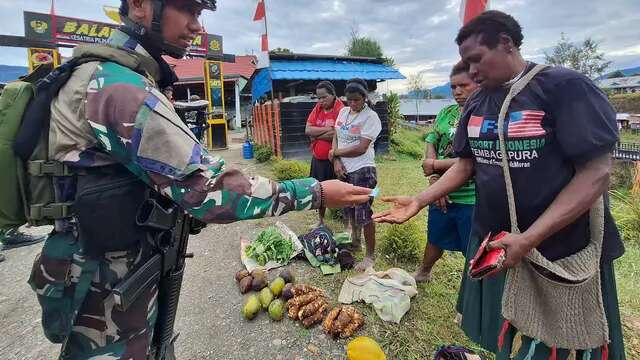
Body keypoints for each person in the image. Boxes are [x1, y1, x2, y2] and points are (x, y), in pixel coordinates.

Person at [28, 1, 372, 359]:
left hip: (113, 273)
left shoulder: (117, 75)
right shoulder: (118, 87)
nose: (198, 27)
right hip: (105, 286)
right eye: (188, 10)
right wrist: (313, 192)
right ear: (142, 5)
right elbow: (208, 190)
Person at [374, 10, 625, 359]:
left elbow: (596, 173)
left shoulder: (563, 87)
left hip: (559, 249)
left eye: (476, 59)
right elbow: (465, 164)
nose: (471, 71)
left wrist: (529, 238)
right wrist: (420, 200)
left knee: (560, 342)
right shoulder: (478, 101)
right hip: (497, 244)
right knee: (508, 337)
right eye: (465, 62)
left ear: (506, 43)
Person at [416, 61, 479, 283]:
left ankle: (469, 299)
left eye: (464, 85)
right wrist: (435, 182)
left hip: (471, 196)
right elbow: (432, 140)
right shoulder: (446, 112)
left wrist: (434, 166)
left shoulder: (484, 115)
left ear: (478, 83)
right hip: (441, 192)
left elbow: (472, 161)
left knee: (472, 250)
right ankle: (423, 272)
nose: (457, 92)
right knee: (435, 236)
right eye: (453, 87)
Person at [330, 78, 382, 272]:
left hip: (364, 170)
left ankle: (370, 256)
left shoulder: (371, 118)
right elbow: (336, 135)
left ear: (364, 98)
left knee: (364, 213)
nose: (352, 103)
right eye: (349, 99)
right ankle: (355, 241)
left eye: (356, 100)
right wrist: (336, 161)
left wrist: (335, 154)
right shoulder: (343, 112)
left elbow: (361, 148)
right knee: (349, 208)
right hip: (344, 168)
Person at [305, 80, 344, 227]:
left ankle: (345, 223)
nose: (320, 101)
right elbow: (308, 130)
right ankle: (320, 221)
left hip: (335, 160)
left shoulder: (341, 110)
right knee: (319, 192)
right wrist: (328, 131)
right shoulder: (318, 108)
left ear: (333, 95)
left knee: (340, 191)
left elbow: (339, 134)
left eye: (324, 97)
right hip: (318, 160)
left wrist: (317, 134)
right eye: (318, 98)